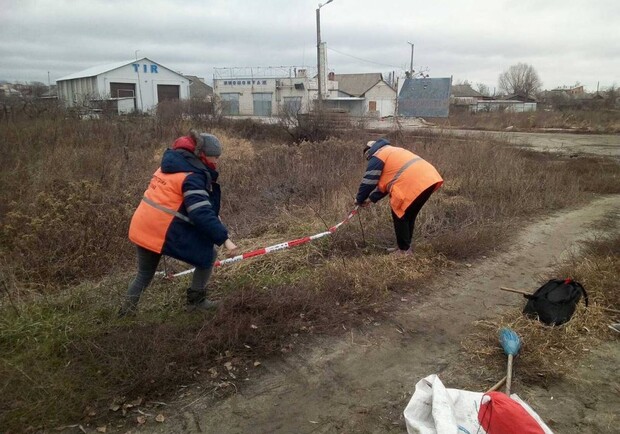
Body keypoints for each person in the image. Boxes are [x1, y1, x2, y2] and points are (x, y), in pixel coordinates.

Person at [119, 130, 238, 316]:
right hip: (162, 230)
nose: (217, 162)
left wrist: (212, 217)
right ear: (203, 156)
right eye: (215, 157)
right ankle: (196, 302)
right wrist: (225, 239)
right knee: (209, 255)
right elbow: (199, 212)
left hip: (143, 225)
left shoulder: (171, 165)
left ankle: (125, 313)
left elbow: (174, 202)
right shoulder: (192, 176)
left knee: (143, 275)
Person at [355, 138, 443, 255]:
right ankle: (405, 248)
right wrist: (370, 199)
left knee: (400, 213)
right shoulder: (392, 151)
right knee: (408, 215)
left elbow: (369, 181)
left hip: (413, 182)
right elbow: (386, 184)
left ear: (370, 151)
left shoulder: (378, 155)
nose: (368, 159)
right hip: (429, 179)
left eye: (367, 157)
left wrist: (359, 199)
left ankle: (403, 251)